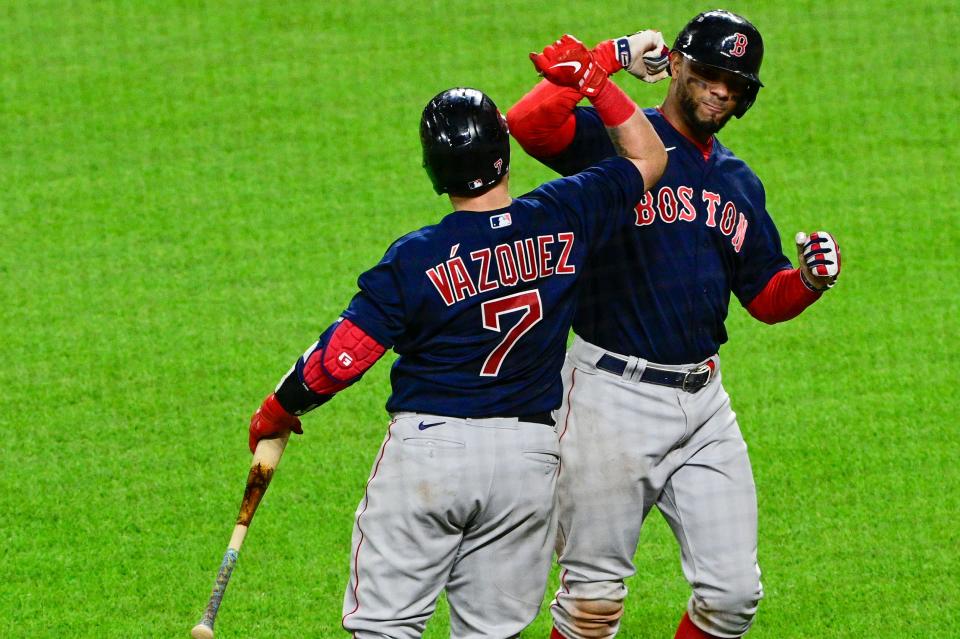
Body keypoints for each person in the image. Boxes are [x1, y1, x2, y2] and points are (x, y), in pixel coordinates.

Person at [247, 34, 669, 639]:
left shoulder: (416, 258)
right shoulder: (567, 211)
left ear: (432, 167)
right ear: (504, 150)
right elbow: (649, 158)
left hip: (431, 456)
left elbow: (341, 359)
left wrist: (278, 409)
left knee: (386, 629)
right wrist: (599, 77)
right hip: (528, 462)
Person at [507, 10, 843, 639]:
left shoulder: (739, 182)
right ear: (680, 65)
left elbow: (765, 296)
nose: (722, 90)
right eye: (712, 73)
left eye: (737, 83)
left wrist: (809, 282)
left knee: (733, 597)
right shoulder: (620, 138)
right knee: (591, 609)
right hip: (609, 397)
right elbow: (529, 124)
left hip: (705, 405)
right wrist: (609, 56)